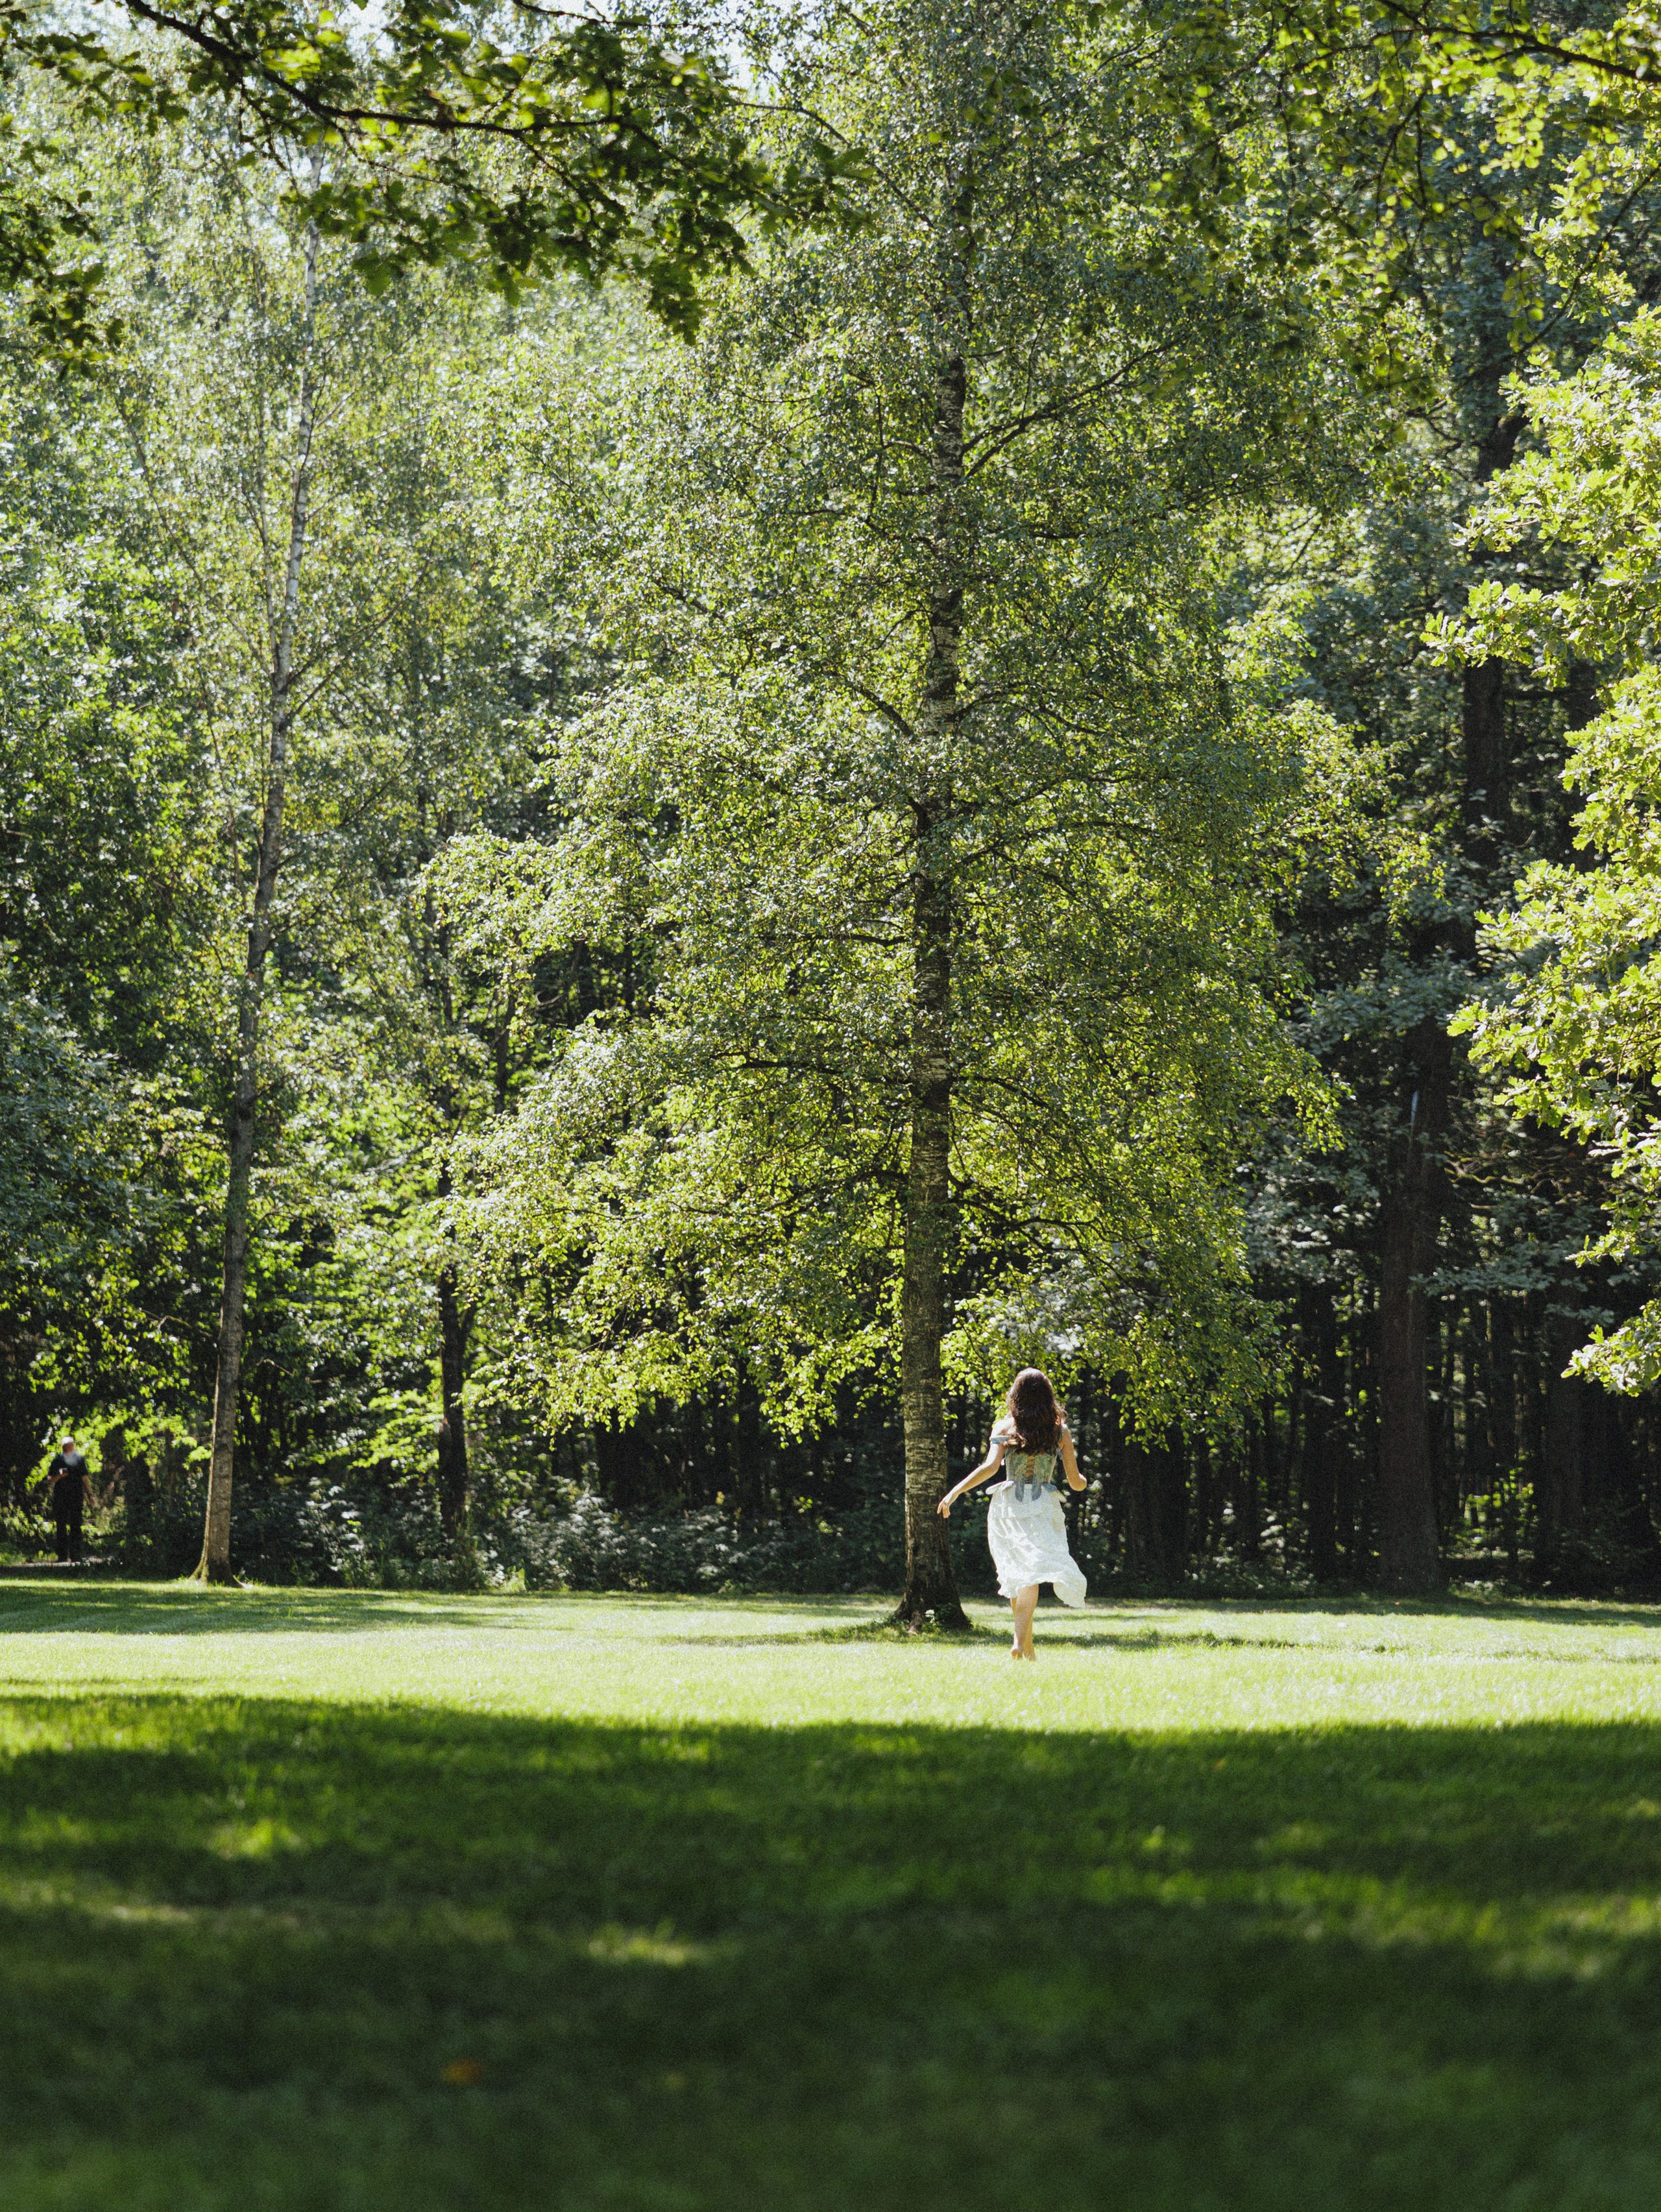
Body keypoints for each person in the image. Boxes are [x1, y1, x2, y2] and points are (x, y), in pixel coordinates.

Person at [938, 1368, 1087, 1659]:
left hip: (1008, 1506)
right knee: (1028, 1574)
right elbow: (1075, 1482)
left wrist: (955, 1491)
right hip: (1042, 1505)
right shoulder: (1060, 1431)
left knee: (1018, 1572)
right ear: (1047, 1397)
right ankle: (1021, 1645)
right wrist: (1084, 1482)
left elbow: (990, 1469)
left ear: (1016, 1396)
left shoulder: (1004, 1428)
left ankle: (1026, 1649)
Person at [45, 1434, 88, 1565]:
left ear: (73, 1445)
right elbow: (50, 1481)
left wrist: (90, 1494)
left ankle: (76, 1555)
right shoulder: (57, 1461)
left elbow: (85, 1478)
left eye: (70, 1445)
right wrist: (59, 1475)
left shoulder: (80, 1460)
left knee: (76, 1526)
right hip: (61, 1498)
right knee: (61, 1526)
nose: (68, 1448)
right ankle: (62, 1556)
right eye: (65, 1446)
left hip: (76, 1497)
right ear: (62, 1447)